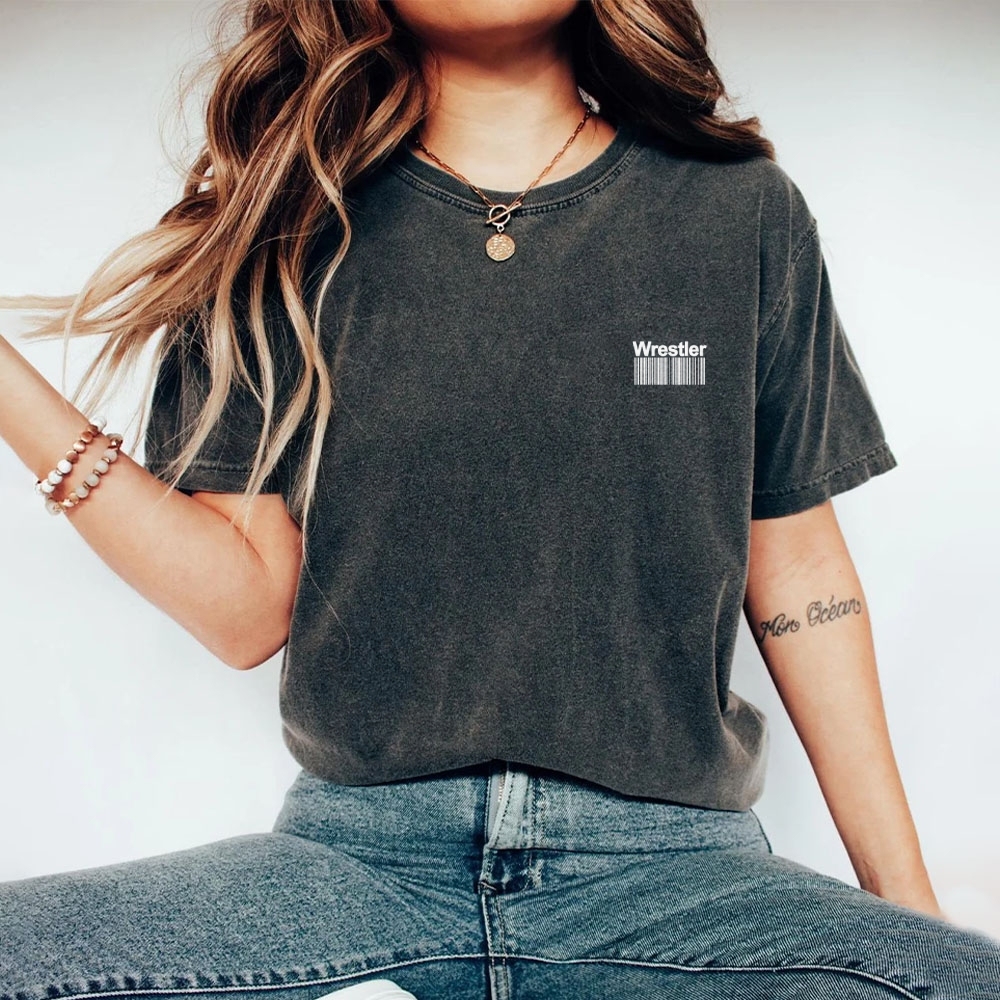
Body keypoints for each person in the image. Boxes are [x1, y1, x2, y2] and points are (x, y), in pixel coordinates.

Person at [1, 1, 999, 998]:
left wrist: (904, 912)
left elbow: (802, 569)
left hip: (676, 875)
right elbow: (244, 612)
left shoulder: (737, 210)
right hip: (357, 866)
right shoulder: (282, 227)